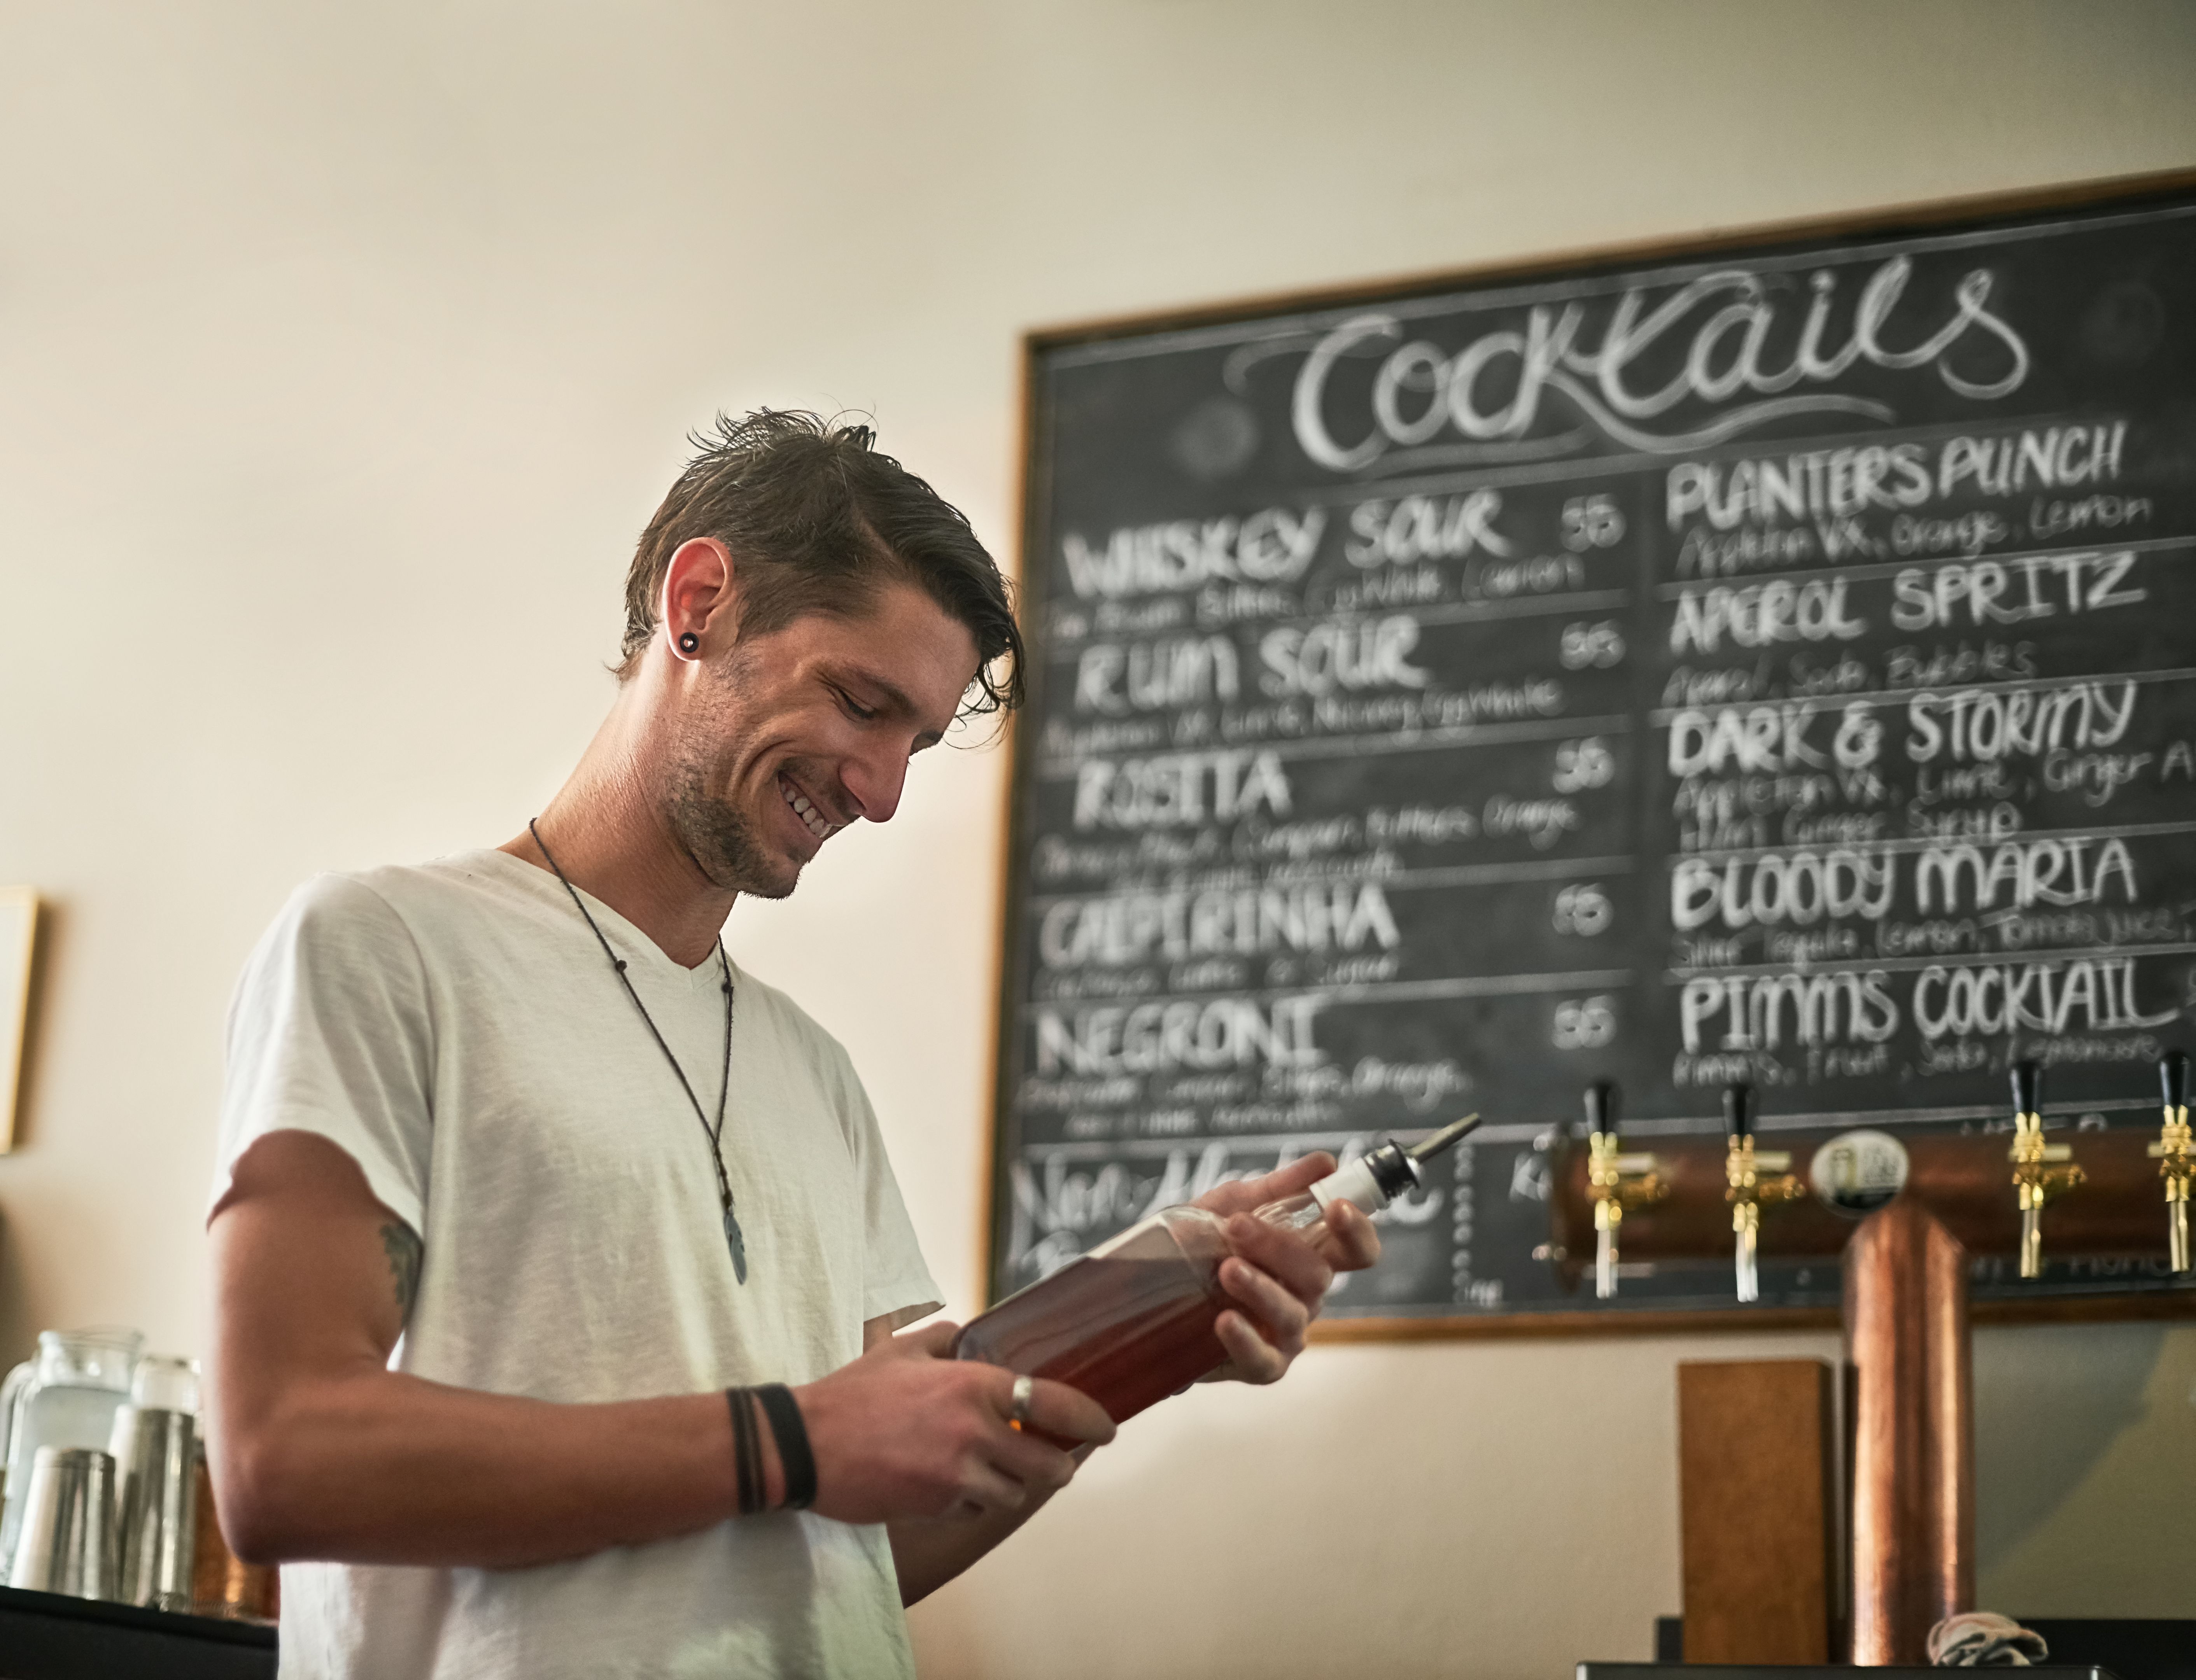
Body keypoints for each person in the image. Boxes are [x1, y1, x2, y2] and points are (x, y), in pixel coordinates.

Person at [205, 411, 1381, 1679]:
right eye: (863, 704)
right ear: (699, 604)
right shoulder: (387, 948)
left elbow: (856, 1550)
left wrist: (1153, 1335)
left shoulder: (815, 1076)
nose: (882, 792)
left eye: (913, 744)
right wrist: (796, 1440)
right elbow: (283, 1458)